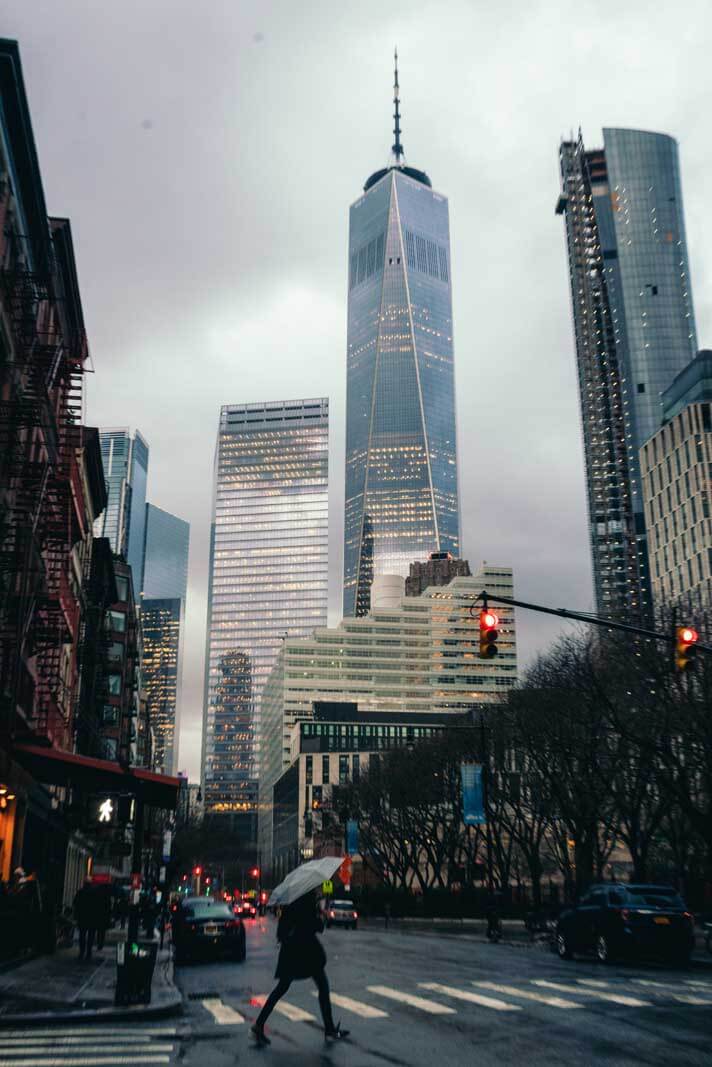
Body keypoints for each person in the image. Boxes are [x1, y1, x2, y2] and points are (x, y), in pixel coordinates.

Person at [251, 890, 349, 1046]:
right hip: (306, 953)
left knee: (283, 988)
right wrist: (321, 916)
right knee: (321, 986)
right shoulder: (307, 905)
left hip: (292, 953)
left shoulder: (291, 906)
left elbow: (281, 931)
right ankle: (329, 1029)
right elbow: (315, 926)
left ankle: (259, 1024)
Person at [73, 879, 100, 961]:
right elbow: (97, 906)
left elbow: (75, 904)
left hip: (82, 917)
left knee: (82, 935)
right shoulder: (95, 893)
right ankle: (89, 952)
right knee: (90, 936)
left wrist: (76, 916)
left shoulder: (80, 892)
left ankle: (82, 952)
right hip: (92, 918)